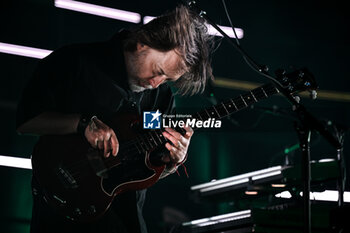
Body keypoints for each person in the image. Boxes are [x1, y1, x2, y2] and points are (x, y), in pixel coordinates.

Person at [16, 4, 213, 233]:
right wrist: (81, 124)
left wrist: (174, 159)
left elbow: (149, 170)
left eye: (166, 79)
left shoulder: (161, 97)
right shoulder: (74, 62)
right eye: (158, 71)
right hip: (63, 215)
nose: (156, 83)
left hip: (127, 221)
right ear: (142, 44)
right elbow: (26, 121)